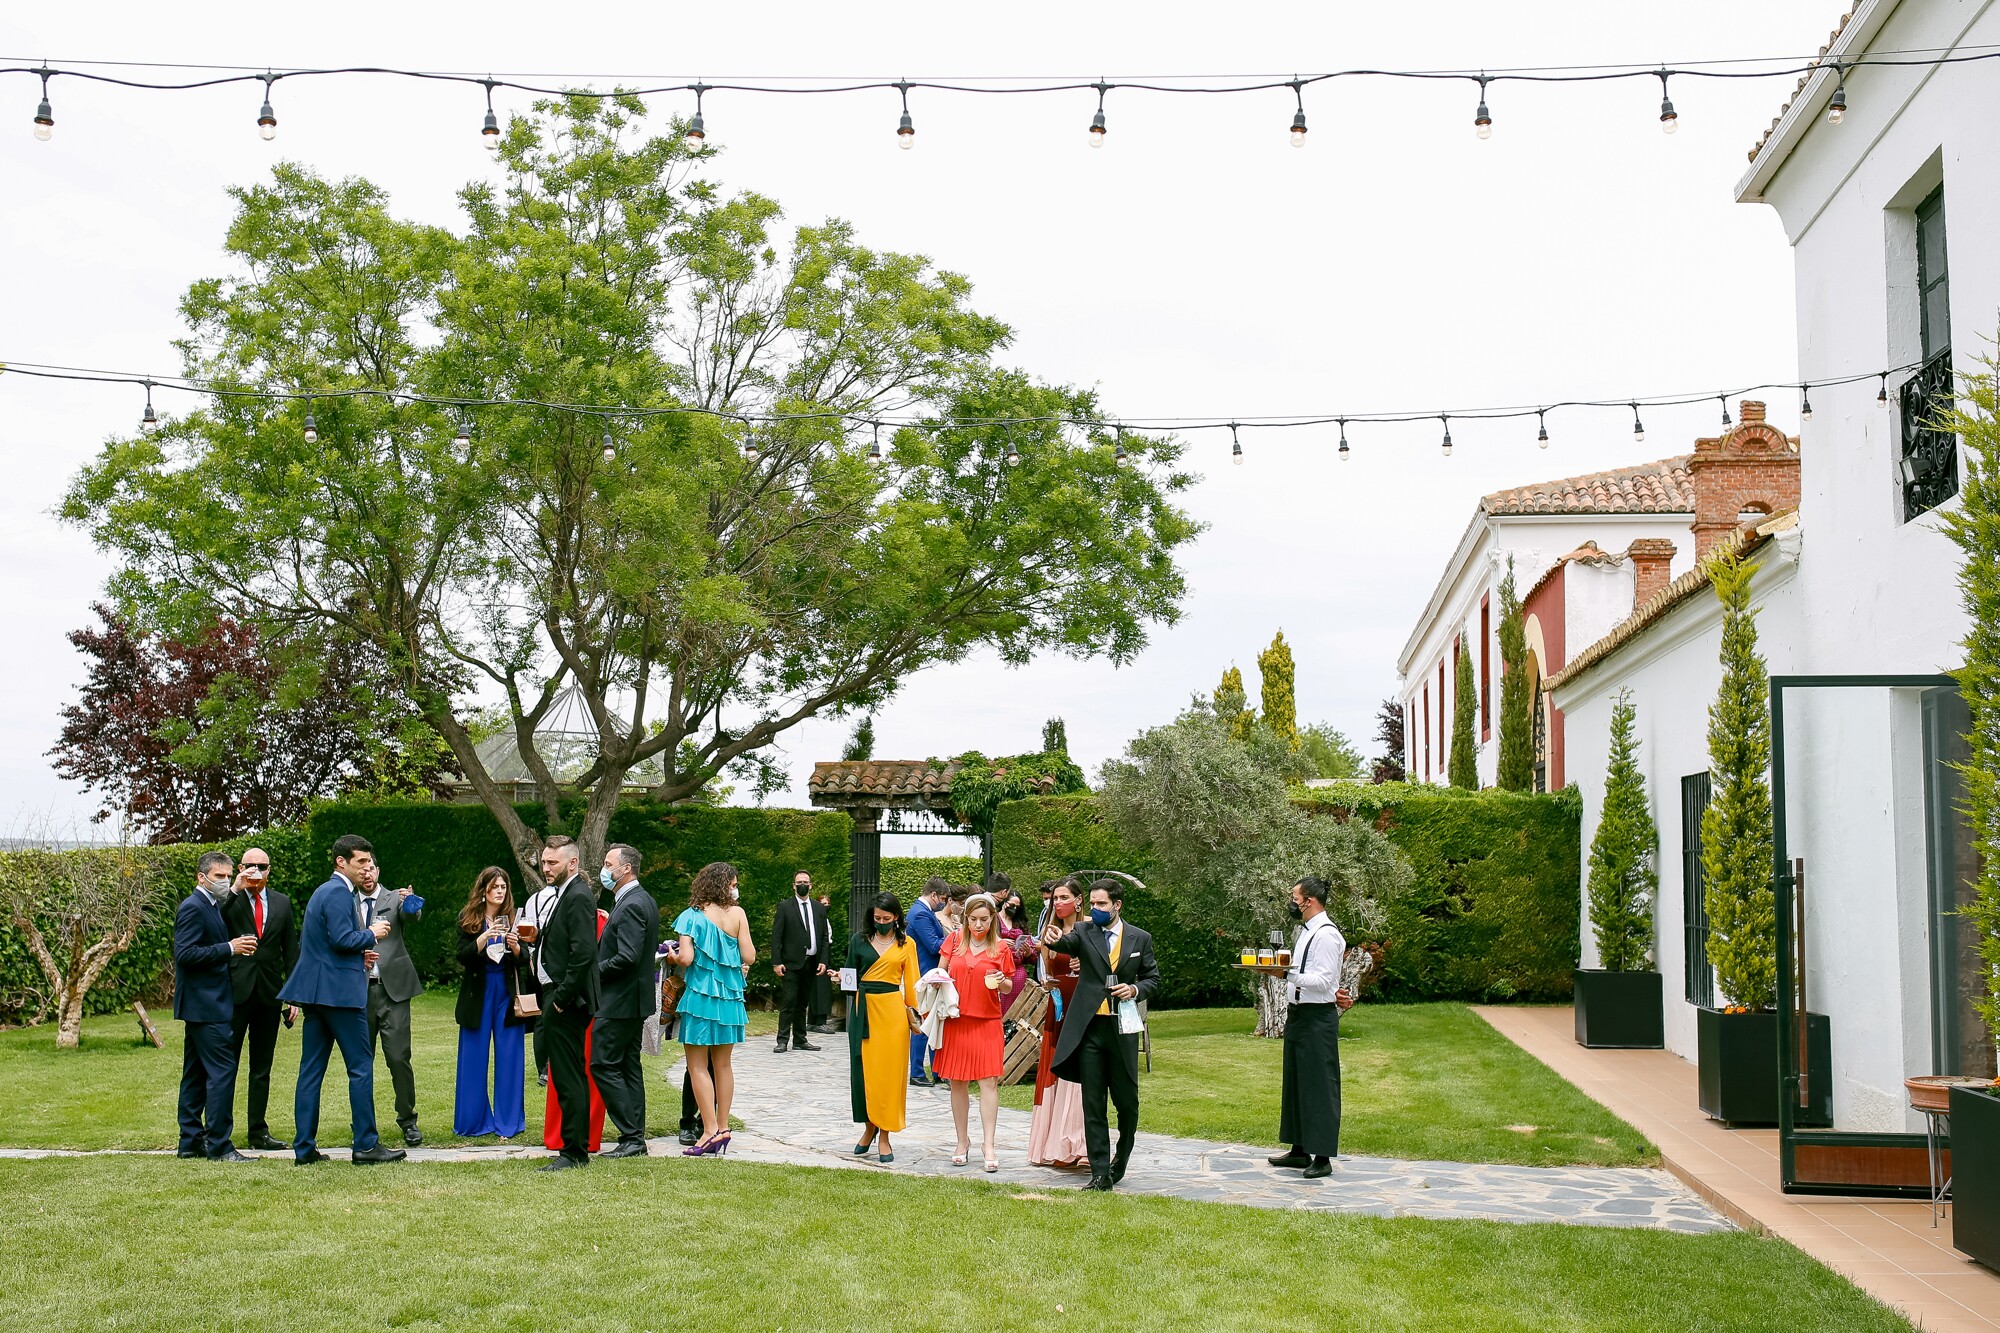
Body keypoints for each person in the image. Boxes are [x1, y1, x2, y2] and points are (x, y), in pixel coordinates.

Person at [280, 834, 403, 1165]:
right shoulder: (337, 892)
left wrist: (356, 956)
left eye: (368, 862)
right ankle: (366, 1145)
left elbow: (324, 947)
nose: (366, 868)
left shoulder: (325, 891)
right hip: (341, 996)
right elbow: (341, 938)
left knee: (310, 1071)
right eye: (360, 861)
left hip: (318, 995)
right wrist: (371, 934)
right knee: (361, 1067)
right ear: (341, 862)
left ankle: (304, 1149)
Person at [1042, 878, 1160, 1192]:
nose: (1095, 909)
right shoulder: (1082, 931)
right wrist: (1053, 938)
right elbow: (1063, 944)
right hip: (1090, 1029)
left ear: (1117, 905)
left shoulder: (1140, 938)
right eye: (1092, 904)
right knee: (1092, 1103)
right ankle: (1099, 1174)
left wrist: (1134, 989)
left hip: (1122, 1029)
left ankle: (1119, 1162)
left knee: (1127, 1103)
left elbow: (1153, 979)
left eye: (1101, 904)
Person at [1267, 875, 1357, 1180]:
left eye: (1295, 897)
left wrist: (1284, 975)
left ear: (1310, 901)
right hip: (1299, 1016)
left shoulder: (1328, 936)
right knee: (1295, 1082)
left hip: (1317, 1019)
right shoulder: (1305, 931)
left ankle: (1322, 1156)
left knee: (1319, 1085)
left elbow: (1322, 981)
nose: (1292, 902)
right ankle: (1299, 1149)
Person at [667, 861, 755, 1156]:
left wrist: (672, 956)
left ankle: (708, 1131)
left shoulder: (691, 916)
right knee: (723, 1065)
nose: (735, 888)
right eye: (733, 883)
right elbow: (750, 956)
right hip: (730, 1000)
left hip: (701, 999)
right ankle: (724, 1126)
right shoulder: (738, 914)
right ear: (724, 885)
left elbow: (687, 959)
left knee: (696, 1066)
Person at [174, 851, 256, 1161]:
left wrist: (234, 889)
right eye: (218, 877)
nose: (223, 881)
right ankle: (220, 1145)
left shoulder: (209, 904)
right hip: (207, 1005)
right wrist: (229, 948)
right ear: (201, 877)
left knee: (195, 1075)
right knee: (222, 1073)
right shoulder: (193, 908)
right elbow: (185, 954)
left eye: (226, 876)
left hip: (201, 1005)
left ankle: (191, 1141)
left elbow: (221, 908)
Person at [220, 845, 299, 1151]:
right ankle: (220, 1131)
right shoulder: (230, 898)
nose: (256, 872)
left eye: (262, 867)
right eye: (249, 866)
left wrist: (294, 996)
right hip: (234, 991)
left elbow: (290, 951)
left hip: (269, 993)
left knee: (261, 1067)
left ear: (269, 871)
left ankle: (258, 1132)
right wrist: (234, 888)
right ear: (240, 868)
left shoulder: (281, 902)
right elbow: (215, 919)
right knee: (228, 1064)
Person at [535, 836, 601, 1171]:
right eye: (544, 862)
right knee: (566, 1074)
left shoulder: (578, 896)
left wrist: (561, 998)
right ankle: (574, 1148)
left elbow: (584, 952)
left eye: (552, 863)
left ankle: (574, 1151)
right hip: (558, 995)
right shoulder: (566, 894)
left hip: (566, 999)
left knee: (569, 1075)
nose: (546, 868)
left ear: (572, 863)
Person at [937, 892, 1014, 1172]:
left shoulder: (1002, 948)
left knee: (988, 1083)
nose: (978, 925)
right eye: (973, 919)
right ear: (965, 918)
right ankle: (962, 1141)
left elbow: (1007, 988)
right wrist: (937, 981)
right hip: (957, 1020)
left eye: (984, 919)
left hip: (987, 1021)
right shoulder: (955, 940)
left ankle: (989, 1144)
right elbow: (940, 971)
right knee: (957, 1082)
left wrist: (1003, 980)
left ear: (993, 919)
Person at [592, 844, 660, 1158]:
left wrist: (592, 972)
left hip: (620, 1001)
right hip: (632, 1000)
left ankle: (632, 1136)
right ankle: (635, 1137)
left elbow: (628, 957)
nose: (604, 870)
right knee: (628, 1066)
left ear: (626, 868)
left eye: (609, 864)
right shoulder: (639, 899)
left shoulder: (632, 903)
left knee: (603, 1064)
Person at [847, 891, 921, 1164]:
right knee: (864, 1072)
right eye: (877, 918)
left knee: (889, 1075)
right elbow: (849, 977)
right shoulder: (858, 940)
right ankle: (869, 1127)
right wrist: (839, 979)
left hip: (891, 1012)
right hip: (862, 1009)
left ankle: (885, 1134)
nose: (881, 922)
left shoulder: (907, 944)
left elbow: (913, 985)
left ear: (896, 917)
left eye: (886, 918)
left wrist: (918, 1016)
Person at [356, 856, 424, 1148]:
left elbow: (412, 917)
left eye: (371, 868)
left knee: (398, 1058)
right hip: (358, 992)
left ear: (378, 871)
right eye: (362, 869)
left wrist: (411, 902)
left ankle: (408, 1120)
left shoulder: (395, 897)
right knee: (360, 1062)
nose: (367, 873)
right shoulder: (344, 901)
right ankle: (363, 1123)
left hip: (392, 990)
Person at [453, 867, 527, 1139]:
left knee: (510, 1058)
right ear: (483, 890)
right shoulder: (468, 918)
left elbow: (525, 959)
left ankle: (508, 1122)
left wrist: (517, 947)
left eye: (504, 887)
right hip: (478, 994)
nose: (500, 891)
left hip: (507, 996)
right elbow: (462, 956)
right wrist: (484, 937)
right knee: (473, 1057)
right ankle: (473, 1122)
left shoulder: (515, 918)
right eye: (494, 886)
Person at [1027, 876, 1088, 1169]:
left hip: (1085, 1004)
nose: (1059, 903)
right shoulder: (1049, 933)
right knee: (1057, 1068)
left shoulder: (1091, 927)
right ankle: (1055, 1143)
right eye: (1055, 899)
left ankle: (1080, 1142)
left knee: (1084, 1069)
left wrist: (1087, 962)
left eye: (1064, 897)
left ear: (1078, 900)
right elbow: (1048, 968)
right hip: (1059, 1005)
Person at [771, 869, 830, 1053]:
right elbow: (776, 937)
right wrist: (776, 961)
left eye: (805, 882)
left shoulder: (819, 908)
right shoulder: (785, 907)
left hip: (811, 963)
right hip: (790, 963)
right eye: (799, 882)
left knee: (803, 1003)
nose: (802, 885)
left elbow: (823, 937)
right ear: (794, 886)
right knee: (789, 1001)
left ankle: (800, 1039)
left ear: (811, 885)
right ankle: (782, 1040)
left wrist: (823, 960)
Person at [519, 866, 560, 1088]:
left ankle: (541, 1068)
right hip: (551, 964)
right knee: (551, 1014)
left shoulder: (532, 899)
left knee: (539, 1018)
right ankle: (549, 1068)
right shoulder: (560, 900)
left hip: (533, 961)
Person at [905, 877, 948, 1086]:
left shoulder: (922, 911)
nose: (942, 903)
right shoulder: (921, 913)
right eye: (942, 898)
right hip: (925, 973)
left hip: (929, 973)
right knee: (923, 1025)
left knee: (934, 1023)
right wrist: (954, 939)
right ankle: (917, 1072)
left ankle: (937, 1070)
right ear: (933, 895)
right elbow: (933, 945)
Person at [808, 891, 839, 1033]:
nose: (826, 906)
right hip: (819, 955)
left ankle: (815, 1021)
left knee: (819, 988)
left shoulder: (823, 919)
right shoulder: (817, 919)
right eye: (823, 904)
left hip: (824, 953)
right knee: (819, 989)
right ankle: (818, 1021)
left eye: (828, 904)